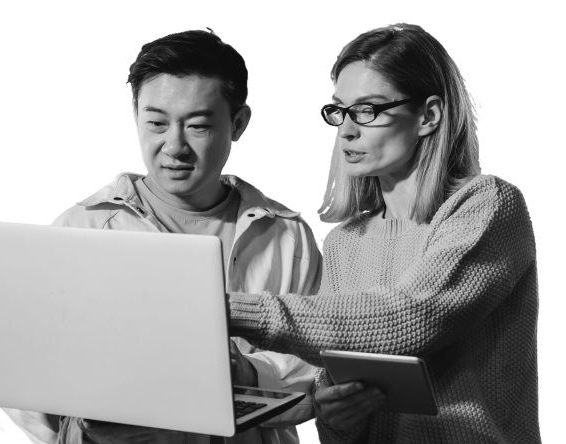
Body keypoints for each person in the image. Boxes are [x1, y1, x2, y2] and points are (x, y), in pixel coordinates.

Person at [2, 29, 322, 444]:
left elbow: (316, 370)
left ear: (238, 123)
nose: (174, 146)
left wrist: (243, 373)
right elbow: (24, 379)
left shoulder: (288, 238)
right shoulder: (79, 228)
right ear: (135, 113)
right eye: (156, 122)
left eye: (198, 126)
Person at [228, 23, 540, 444]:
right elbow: (339, 417)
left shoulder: (488, 204)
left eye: (369, 109)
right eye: (340, 109)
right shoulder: (343, 242)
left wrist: (231, 309)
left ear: (429, 116)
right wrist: (336, 413)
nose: (346, 130)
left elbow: (412, 318)